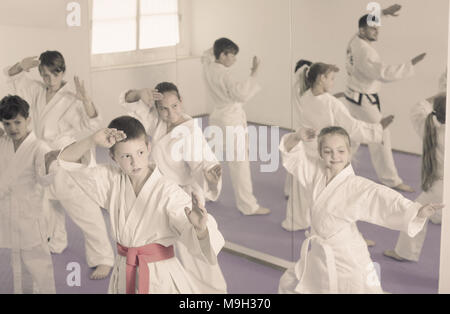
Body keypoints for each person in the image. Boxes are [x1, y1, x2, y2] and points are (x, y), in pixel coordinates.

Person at [58, 116, 224, 294]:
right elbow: (68, 161)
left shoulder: (167, 191)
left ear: (149, 148)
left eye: (140, 153)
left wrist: (200, 229)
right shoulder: (112, 181)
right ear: (113, 157)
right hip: (124, 271)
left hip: (159, 276)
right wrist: (92, 140)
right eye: (126, 156)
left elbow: (200, 238)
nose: (135, 162)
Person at [277, 126, 442, 293]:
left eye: (340, 151)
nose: (335, 156)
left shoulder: (356, 186)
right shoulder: (315, 173)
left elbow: (383, 198)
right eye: (328, 151)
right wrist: (297, 136)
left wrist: (417, 212)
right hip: (319, 254)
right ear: (320, 153)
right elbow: (293, 155)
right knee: (290, 283)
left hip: (348, 258)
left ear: (349, 152)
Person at [4, 51, 114, 279]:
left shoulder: (72, 97)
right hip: (42, 157)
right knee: (48, 204)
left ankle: (103, 258)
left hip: (66, 158)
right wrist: (21, 64)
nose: (49, 80)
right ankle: (57, 241)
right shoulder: (36, 90)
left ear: (62, 71)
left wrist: (86, 100)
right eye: (44, 75)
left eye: (53, 75)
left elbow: (93, 122)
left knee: (84, 210)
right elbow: (11, 76)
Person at [120, 82, 226, 293]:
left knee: (195, 250)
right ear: (157, 109)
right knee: (162, 249)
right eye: (164, 109)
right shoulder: (158, 123)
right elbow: (130, 102)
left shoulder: (189, 132)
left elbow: (202, 163)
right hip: (158, 193)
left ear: (181, 102)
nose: (171, 113)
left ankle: (215, 291)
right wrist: (140, 92)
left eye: (175, 106)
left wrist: (210, 175)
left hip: (182, 196)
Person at [282, 61, 393, 233]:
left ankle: (295, 222)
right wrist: (377, 130)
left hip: (308, 150)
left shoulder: (305, 97)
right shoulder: (330, 102)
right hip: (326, 155)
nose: (333, 82)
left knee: (302, 189)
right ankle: (344, 233)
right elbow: (352, 127)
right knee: (338, 196)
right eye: (331, 78)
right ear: (321, 78)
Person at [344, 4, 426, 193]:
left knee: (354, 135)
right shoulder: (365, 52)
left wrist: (381, 13)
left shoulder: (354, 40)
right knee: (380, 134)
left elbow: (364, 22)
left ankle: (339, 167)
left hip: (353, 96)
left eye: (377, 28)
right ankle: (391, 179)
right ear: (362, 30)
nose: (377, 32)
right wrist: (410, 65)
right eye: (373, 28)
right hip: (362, 100)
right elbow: (383, 73)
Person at [202, 37, 270, 215]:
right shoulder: (225, 74)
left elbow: (206, 54)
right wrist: (254, 73)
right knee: (239, 162)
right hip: (230, 120)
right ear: (223, 55)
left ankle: (206, 194)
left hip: (216, 117)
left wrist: (217, 46)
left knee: (211, 159)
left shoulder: (208, 66)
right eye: (232, 55)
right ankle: (248, 205)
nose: (234, 60)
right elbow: (241, 95)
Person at [0, 95, 56, 293]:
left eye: (17, 122)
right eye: (7, 123)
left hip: (31, 214)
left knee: (38, 263)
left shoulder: (39, 147)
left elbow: (45, 180)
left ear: (28, 120)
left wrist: (49, 164)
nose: (13, 128)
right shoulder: (3, 143)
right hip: (8, 212)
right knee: (16, 261)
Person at [384, 94, 446, 262]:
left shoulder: (430, 129)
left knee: (415, 211)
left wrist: (437, 96)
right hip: (441, 186)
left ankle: (404, 252)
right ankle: (439, 216)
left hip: (441, 186)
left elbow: (417, 109)